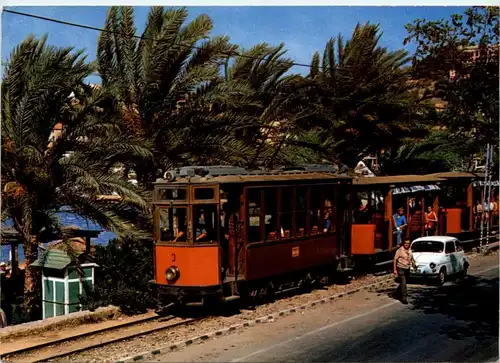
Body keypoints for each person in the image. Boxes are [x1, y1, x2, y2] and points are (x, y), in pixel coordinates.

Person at [393, 240, 416, 304]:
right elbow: (395, 260)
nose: (407, 244)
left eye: (408, 243)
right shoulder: (399, 250)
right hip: (400, 268)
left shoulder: (410, 250)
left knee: (404, 283)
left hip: (407, 268)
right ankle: (404, 297)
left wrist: (414, 264)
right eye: (405, 243)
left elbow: (412, 258)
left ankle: (396, 293)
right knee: (404, 283)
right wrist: (395, 270)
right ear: (403, 243)